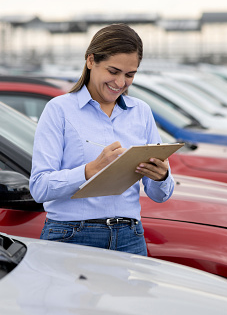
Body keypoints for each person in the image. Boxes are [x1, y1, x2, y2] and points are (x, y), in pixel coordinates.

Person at [29, 23, 175, 256]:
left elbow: (160, 195)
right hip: (72, 235)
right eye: (113, 71)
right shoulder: (59, 110)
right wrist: (92, 169)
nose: (120, 83)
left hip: (129, 237)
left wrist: (162, 176)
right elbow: (39, 187)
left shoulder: (141, 112)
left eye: (130, 75)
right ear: (90, 61)